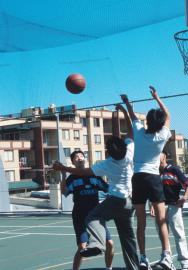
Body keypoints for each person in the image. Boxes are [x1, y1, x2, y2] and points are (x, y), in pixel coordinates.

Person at [53, 104, 139, 270]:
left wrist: (62, 168)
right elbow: (130, 132)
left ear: (108, 152)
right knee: (128, 238)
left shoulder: (105, 165)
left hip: (115, 201)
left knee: (92, 218)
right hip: (129, 203)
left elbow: (84, 172)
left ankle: (97, 246)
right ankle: (134, 267)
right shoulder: (129, 153)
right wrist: (125, 111)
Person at [121, 86, 175, 270]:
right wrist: (156, 97)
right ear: (160, 124)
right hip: (153, 179)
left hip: (137, 179)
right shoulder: (162, 136)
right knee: (161, 220)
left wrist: (127, 103)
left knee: (140, 223)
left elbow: (132, 116)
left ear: (148, 121)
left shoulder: (138, 132)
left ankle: (143, 258)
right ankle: (166, 256)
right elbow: (168, 115)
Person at [60, 150, 114, 270]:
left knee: (110, 243)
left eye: (81, 156)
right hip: (80, 215)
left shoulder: (94, 175)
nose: (79, 158)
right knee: (82, 247)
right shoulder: (72, 178)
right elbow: (64, 192)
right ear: (73, 162)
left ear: (85, 159)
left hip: (96, 217)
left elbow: (108, 188)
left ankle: (108, 268)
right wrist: (63, 175)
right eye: (76, 157)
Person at [151, 151, 188, 270]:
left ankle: (186, 262)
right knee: (162, 235)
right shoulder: (155, 172)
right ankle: (167, 261)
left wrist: (184, 197)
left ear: (164, 156)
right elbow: (154, 191)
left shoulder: (174, 170)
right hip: (160, 206)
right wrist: (152, 206)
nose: (156, 156)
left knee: (178, 234)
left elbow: (187, 184)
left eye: (159, 154)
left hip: (174, 206)